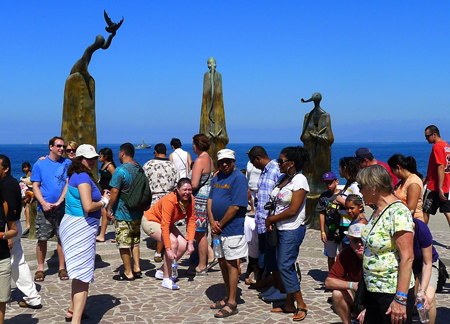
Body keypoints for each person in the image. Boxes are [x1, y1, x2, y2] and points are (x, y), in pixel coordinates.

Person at [357, 164, 415, 324]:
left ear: (374, 187)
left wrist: (400, 299)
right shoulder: (379, 210)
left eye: (361, 186)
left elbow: (408, 257)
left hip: (391, 292)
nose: (360, 191)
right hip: (374, 290)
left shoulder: (398, 212)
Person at [59, 144, 110, 323]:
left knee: (78, 273)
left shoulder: (77, 175)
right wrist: (104, 201)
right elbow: (88, 206)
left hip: (75, 225)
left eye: (94, 158)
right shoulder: (82, 177)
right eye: (89, 158)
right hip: (81, 227)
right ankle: (76, 320)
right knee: (83, 276)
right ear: (80, 159)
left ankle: (72, 310)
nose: (93, 161)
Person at [264, 146, 309, 321]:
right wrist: (271, 219)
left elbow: (293, 210)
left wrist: (271, 220)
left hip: (292, 229)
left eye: (281, 161)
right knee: (285, 265)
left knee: (284, 265)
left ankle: (301, 304)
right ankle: (289, 304)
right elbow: (275, 203)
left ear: (292, 163)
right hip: (280, 228)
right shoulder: (284, 179)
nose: (278, 163)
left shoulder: (300, 180)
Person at [208, 149, 248, 318]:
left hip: (231, 229)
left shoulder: (239, 178)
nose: (224, 164)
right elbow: (210, 200)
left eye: (228, 161)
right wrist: (211, 222)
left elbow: (236, 206)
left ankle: (232, 302)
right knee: (222, 262)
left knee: (232, 264)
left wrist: (220, 224)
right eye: (221, 161)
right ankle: (227, 295)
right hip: (217, 230)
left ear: (233, 161)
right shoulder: (217, 177)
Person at [142, 178, 196, 290]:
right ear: (178, 189)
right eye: (184, 189)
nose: (187, 192)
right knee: (173, 242)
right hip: (151, 221)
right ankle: (167, 279)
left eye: (189, 189)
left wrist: (190, 242)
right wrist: (168, 249)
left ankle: (162, 271)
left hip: (167, 223)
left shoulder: (191, 199)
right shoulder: (170, 200)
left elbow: (191, 221)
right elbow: (165, 225)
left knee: (183, 245)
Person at [31, 136, 72, 282]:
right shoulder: (39, 165)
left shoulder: (68, 163)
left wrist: (60, 200)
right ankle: (40, 268)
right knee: (42, 238)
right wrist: (42, 202)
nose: (62, 149)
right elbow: (35, 185)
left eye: (63, 146)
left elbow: (68, 183)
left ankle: (62, 267)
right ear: (51, 147)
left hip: (62, 208)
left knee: (62, 238)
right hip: (44, 209)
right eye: (59, 146)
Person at [247, 146, 282, 298]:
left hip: (270, 222)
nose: (253, 166)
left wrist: (272, 220)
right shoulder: (264, 172)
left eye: (253, 162)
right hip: (262, 222)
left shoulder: (275, 170)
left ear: (258, 158)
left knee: (273, 256)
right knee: (266, 255)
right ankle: (268, 281)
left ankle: (278, 286)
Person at [107, 143, 143, 281]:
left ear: (122, 153)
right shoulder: (139, 168)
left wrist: (109, 207)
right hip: (137, 210)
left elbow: (115, 191)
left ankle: (128, 271)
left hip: (123, 211)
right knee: (135, 240)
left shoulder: (120, 170)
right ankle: (137, 267)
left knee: (123, 242)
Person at [143, 143, 179, 263]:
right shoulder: (172, 166)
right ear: (166, 152)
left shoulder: (148, 165)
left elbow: (143, 185)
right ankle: (161, 248)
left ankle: (159, 251)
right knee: (165, 224)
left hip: (153, 199)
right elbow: (177, 184)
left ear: (155, 152)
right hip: (169, 198)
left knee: (159, 225)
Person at [325, 223, 365, 324]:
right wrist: (352, 285)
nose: (360, 244)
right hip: (356, 294)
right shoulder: (345, 254)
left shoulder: (376, 255)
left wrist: (370, 308)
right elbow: (329, 282)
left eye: (363, 240)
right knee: (337, 293)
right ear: (350, 242)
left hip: (376, 297)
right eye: (355, 240)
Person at [188, 134, 215, 275]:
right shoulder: (209, 159)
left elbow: (194, 184)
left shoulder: (199, 161)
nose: (192, 146)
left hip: (199, 199)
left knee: (200, 233)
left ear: (197, 145)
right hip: (208, 196)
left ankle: (202, 265)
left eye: (193, 143)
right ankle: (208, 257)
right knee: (201, 233)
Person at [0, 155, 20, 323]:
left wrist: (4, 235)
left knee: (2, 299)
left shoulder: (5, 199)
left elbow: (13, 226)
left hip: (2, 255)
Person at [411, 218, 439, 324]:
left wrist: (422, 291)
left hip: (428, 264)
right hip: (408, 267)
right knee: (408, 299)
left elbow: (427, 263)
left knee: (427, 299)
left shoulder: (421, 229)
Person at [423, 125, 450, 225]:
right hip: (447, 185)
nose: (426, 139)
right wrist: (426, 178)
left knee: (425, 210)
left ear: (434, 135)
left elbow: (441, 166)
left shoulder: (437, 146)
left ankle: (422, 237)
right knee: (447, 211)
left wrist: (439, 187)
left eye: (428, 136)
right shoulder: (446, 145)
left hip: (435, 186)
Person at [388, 154, 424, 222]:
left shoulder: (413, 182)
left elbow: (411, 209)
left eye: (392, 170)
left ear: (398, 168)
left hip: (413, 221)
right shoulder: (403, 180)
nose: (393, 173)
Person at [334, 157, 362, 246]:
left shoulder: (355, 185)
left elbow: (357, 203)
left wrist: (341, 200)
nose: (339, 170)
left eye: (340, 167)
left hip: (350, 224)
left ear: (345, 168)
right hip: (344, 222)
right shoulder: (348, 185)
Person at [317, 171, 341, 272]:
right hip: (329, 231)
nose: (328, 185)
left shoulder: (343, 195)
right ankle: (331, 275)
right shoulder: (323, 196)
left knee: (343, 255)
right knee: (330, 256)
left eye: (330, 182)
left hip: (341, 230)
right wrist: (322, 231)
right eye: (325, 183)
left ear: (336, 181)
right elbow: (321, 214)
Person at [96, 147, 116, 242]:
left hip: (108, 193)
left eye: (100, 155)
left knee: (107, 212)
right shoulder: (103, 165)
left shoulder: (110, 166)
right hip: (102, 192)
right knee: (106, 213)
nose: (99, 157)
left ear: (105, 156)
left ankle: (102, 235)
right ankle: (103, 234)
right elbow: (102, 178)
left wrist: (111, 191)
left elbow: (116, 179)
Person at [19, 162, 33, 236]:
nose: (25, 168)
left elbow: (31, 184)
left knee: (27, 207)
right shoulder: (25, 176)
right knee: (23, 208)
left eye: (26, 167)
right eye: (24, 167)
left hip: (29, 193)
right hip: (25, 194)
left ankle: (28, 225)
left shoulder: (31, 174)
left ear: (29, 167)